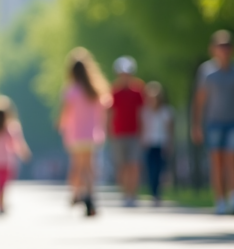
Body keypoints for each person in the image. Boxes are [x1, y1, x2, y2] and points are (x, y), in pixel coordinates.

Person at [191, 30, 234, 215]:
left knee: (233, 158)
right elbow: (199, 101)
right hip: (213, 123)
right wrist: (196, 125)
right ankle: (220, 200)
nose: (224, 50)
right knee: (217, 161)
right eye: (220, 46)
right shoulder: (206, 72)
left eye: (228, 46)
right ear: (213, 49)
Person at [58, 48, 109, 217]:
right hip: (92, 135)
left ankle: (76, 194)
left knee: (77, 167)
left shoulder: (71, 91)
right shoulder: (96, 90)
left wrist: (61, 125)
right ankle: (90, 196)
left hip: (76, 135)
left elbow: (65, 114)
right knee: (89, 167)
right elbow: (104, 110)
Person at [109, 55, 145, 207]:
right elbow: (110, 114)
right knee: (122, 166)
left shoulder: (138, 91)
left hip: (135, 133)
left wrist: (143, 132)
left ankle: (133, 194)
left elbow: (142, 113)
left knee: (134, 165)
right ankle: (125, 194)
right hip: (118, 134)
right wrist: (109, 132)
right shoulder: (113, 92)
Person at [140, 81, 174, 205]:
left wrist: (170, 144)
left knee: (160, 170)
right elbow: (143, 129)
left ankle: (158, 193)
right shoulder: (145, 112)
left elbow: (170, 130)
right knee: (151, 170)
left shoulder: (166, 112)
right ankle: (153, 193)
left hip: (161, 144)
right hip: (149, 144)